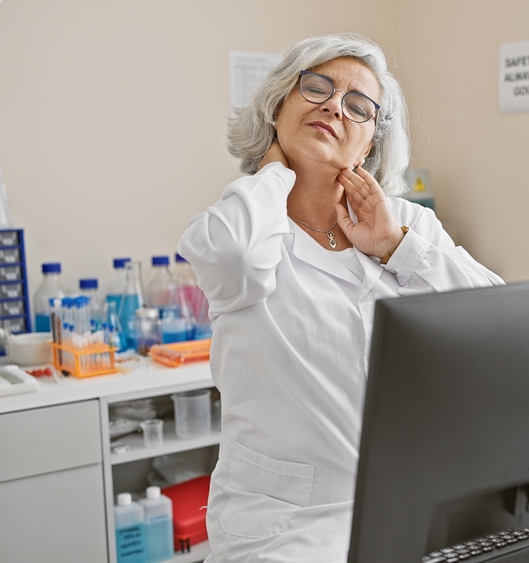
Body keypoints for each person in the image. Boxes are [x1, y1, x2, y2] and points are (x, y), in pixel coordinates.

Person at [178, 33, 503, 563]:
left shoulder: (409, 224)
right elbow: (234, 257)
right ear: (277, 104)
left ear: (371, 142)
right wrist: (274, 168)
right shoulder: (245, 223)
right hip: (281, 534)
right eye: (316, 88)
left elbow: (498, 320)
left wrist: (395, 248)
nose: (335, 106)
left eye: (359, 107)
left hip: (407, 515)